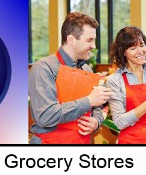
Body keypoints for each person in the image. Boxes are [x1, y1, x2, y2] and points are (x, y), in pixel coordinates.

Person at [28, 12, 112, 144]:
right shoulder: (43, 68)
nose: (94, 46)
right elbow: (45, 116)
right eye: (89, 40)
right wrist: (88, 101)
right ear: (71, 40)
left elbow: (96, 107)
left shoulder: (86, 70)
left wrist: (96, 122)